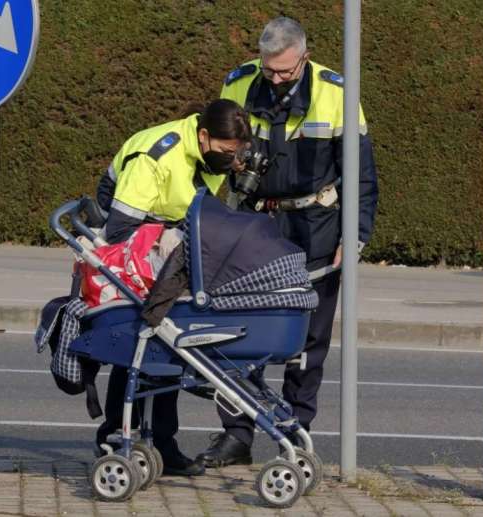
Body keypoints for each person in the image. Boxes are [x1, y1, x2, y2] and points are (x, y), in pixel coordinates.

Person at [198, 17, 379, 467]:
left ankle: (294, 435)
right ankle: (236, 436)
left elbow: (362, 174)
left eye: (285, 71)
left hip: (315, 225)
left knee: (308, 341)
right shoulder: (239, 83)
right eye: (269, 70)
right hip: (253, 225)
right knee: (237, 335)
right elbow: (212, 154)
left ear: (305, 56)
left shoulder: (337, 93)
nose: (275, 79)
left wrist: (354, 236)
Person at [94, 99, 252, 476]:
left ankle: (161, 442)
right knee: (138, 343)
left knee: (166, 344)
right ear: (203, 135)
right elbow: (118, 228)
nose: (230, 160)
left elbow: (198, 205)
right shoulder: (156, 156)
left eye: (237, 154)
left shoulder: (206, 153)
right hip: (130, 248)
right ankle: (116, 437)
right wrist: (166, 234)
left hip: (169, 243)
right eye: (226, 153)